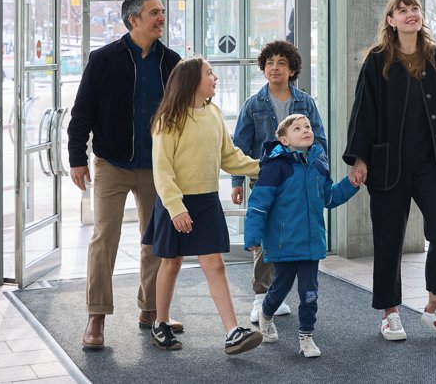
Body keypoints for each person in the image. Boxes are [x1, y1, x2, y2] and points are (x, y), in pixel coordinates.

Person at [343, 0, 436, 342]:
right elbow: (364, 113)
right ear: (391, 21)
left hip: (431, 164)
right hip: (388, 165)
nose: (410, 14)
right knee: (389, 239)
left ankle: (434, 306)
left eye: (414, 8)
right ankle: (389, 313)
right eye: (402, 11)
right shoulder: (377, 61)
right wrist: (359, 158)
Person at [68, 0, 182, 349]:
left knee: (154, 240)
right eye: (154, 13)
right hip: (112, 162)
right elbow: (82, 111)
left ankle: (150, 310)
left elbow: (183, 114)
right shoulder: (103, 60)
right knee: (105, 238)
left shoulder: (172, 62)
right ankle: (96, 316)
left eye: (162, 11)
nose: (161, 18)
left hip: (156, 166)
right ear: (133, 20)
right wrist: (76, 158)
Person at [142, 56, 263, 354]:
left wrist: (265, 167)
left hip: (207, 200)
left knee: (215, 265)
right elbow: (162, 169)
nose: (215, 78)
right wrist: (175, 207)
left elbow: (230, 157)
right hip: (177, 201)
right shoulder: (167, 120)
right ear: (191, 81)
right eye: (210, 73)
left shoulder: (214, 114)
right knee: (171, 263)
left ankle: (233, 331)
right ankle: (160, 322)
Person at [243, 114, 360, 357]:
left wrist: (350, 184)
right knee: (279, 289)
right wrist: (253, 237)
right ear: (284, 140)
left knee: (310, 293)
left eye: (307, 126)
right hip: (284, 244)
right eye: (297, 128)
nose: (305, 130)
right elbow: (258, 205)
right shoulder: (275, 167)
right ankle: (266, 314)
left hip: (311, 243)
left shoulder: (319, 165)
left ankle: (306, 336)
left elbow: (329, 198)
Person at [231, 40, 328, 324]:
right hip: (264, 178)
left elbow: (319, 139)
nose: (275, 68)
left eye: (282, 63)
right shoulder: (254, 104)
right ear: (263, 69)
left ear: (292, 69)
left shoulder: (305, 102)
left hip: (301, 177)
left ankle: (280, 290)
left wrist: (321, 170)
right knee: (265, 235)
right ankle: (262, 295)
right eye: (270, 63)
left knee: (291, 231)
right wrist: (237, 181)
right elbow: (240, 145)